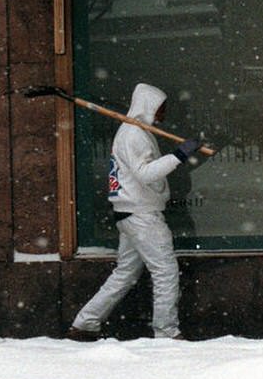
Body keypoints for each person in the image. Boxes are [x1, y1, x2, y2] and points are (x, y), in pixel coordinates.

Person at [67, 83, 202, 340]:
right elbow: (145, 173)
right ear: (148, 107)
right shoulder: (134, 135)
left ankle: (84, 324)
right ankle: (167, 332)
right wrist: (179, 155)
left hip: (130, 212)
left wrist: (181, 154)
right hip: (142, 215)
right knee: (165, 271)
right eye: (160, 108)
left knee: (125, 274)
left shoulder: (134, 132)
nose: (163, 114)